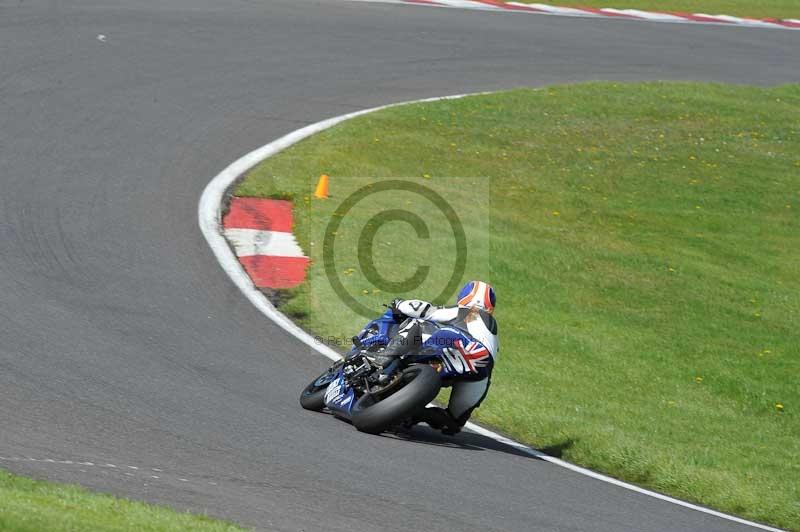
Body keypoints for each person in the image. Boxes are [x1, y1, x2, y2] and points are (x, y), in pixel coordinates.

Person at [377, 280, 498, 435]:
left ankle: (383, 360)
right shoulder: (493, 334)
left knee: (418, 324)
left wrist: (400, 304)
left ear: (464, 297)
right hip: (481, 367)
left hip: (458, 343)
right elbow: (488, 369)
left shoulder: (468, 311)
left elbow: (427, 311)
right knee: (453, 423)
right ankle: (417, 414)